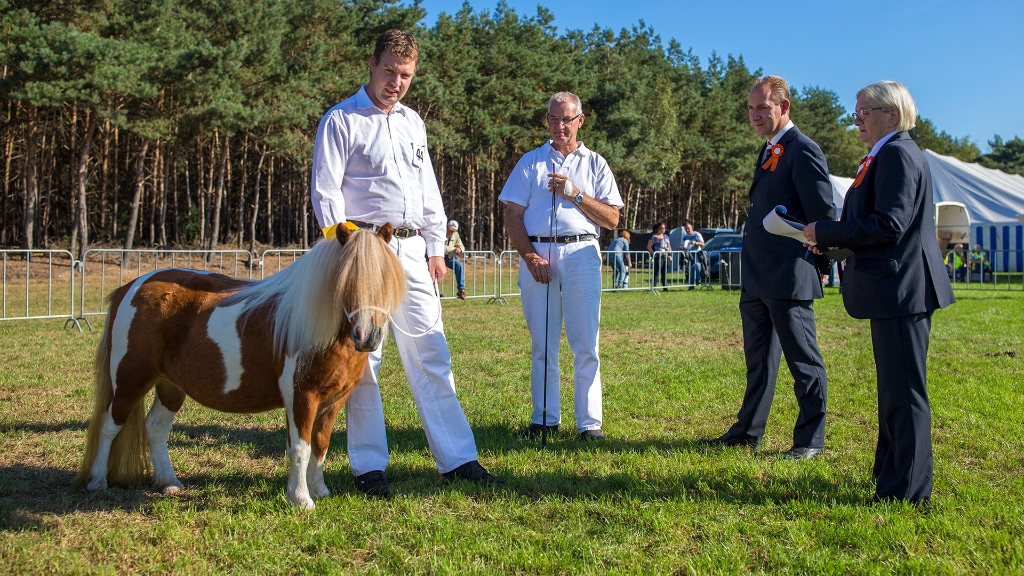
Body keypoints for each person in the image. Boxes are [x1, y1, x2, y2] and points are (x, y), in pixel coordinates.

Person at [311, 29, 503, 497]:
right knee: (365, 359)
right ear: (372, 64)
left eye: (406, 75)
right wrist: (346, 253)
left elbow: (428, 191)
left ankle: (458, 459)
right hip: (365, 250)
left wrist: (436, 249)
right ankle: (369, 467)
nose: (397, 82)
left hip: (414, 251)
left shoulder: (414, 122)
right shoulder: (341, 120)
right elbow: (326, 193)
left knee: (431, 353)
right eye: (391, 71)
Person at [804, 80, 955, 503]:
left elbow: (890, 224)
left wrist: (828, 230)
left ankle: (906, 490)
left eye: (862, 114)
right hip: (894, 288)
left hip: (902, 288)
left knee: (904, 393)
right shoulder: (887, 154)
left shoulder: (899, 155)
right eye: (855, 115)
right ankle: (889, 474)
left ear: (892, 115)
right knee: (893, 390)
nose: (857, 123)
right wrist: (830, 240)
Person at [702, 75, 836, 460]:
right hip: (757, 274)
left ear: (784, 107)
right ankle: (748, 431)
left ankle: (810, 439)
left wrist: (821, 262)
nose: (755, 115)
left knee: (803, 361)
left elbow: (822, 215)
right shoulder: (769, 149)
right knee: (758, 360)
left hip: (790, 274)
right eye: (750, 108)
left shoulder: (803, 150)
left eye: (763, 108)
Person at [500, 91, 623, 441]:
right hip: (539, 256)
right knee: (543, 343)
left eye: (566, 119)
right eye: (553, 119)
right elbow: (512, 215)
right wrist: (530, 257)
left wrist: (575, 194)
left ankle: (589, 425)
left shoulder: (595, 164)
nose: (559, 126)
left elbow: (613, 219)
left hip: (582, 254)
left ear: (580, 120)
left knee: (586, 344)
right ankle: (544, 419)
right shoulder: (530, 162)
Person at [444, 220, 467, 299]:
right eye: (450, 230)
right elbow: (440, 246)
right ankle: (433, 291)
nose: (451, 232)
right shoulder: (440, 232)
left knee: (458, 265)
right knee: (438, 272)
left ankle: (461, 290)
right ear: (446, 227)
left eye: (453, 231)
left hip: (449, 257)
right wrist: (453, 249)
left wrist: (460, 249)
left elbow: (462, 246)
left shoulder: (456, 235)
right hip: (438, 257)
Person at [647, 222, 672, 291]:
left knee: (664, 272)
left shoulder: (666, 237)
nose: (664, 230)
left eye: (664, 228)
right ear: (658, 228)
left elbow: (669, 246)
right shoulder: (654, 237)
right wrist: (653, 254)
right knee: (657, 272)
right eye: (662, 228)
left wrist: (670, 255)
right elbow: (649, 247)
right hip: (658, 257)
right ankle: (654, 287)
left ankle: (665, 287)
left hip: (666, 257)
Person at [680, 221, 705, 288]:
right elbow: (681, 246)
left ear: (692, 227)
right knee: (691, 269)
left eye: (688, 228)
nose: (687, 230)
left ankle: (698, 280)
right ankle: (691, 286)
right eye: (685, 229)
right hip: (689, 254)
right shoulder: (684, 236)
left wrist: (695, 243)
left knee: (697, 266)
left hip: (697, 253)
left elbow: (703, 243)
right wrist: (683, 248)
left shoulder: (697, 234)